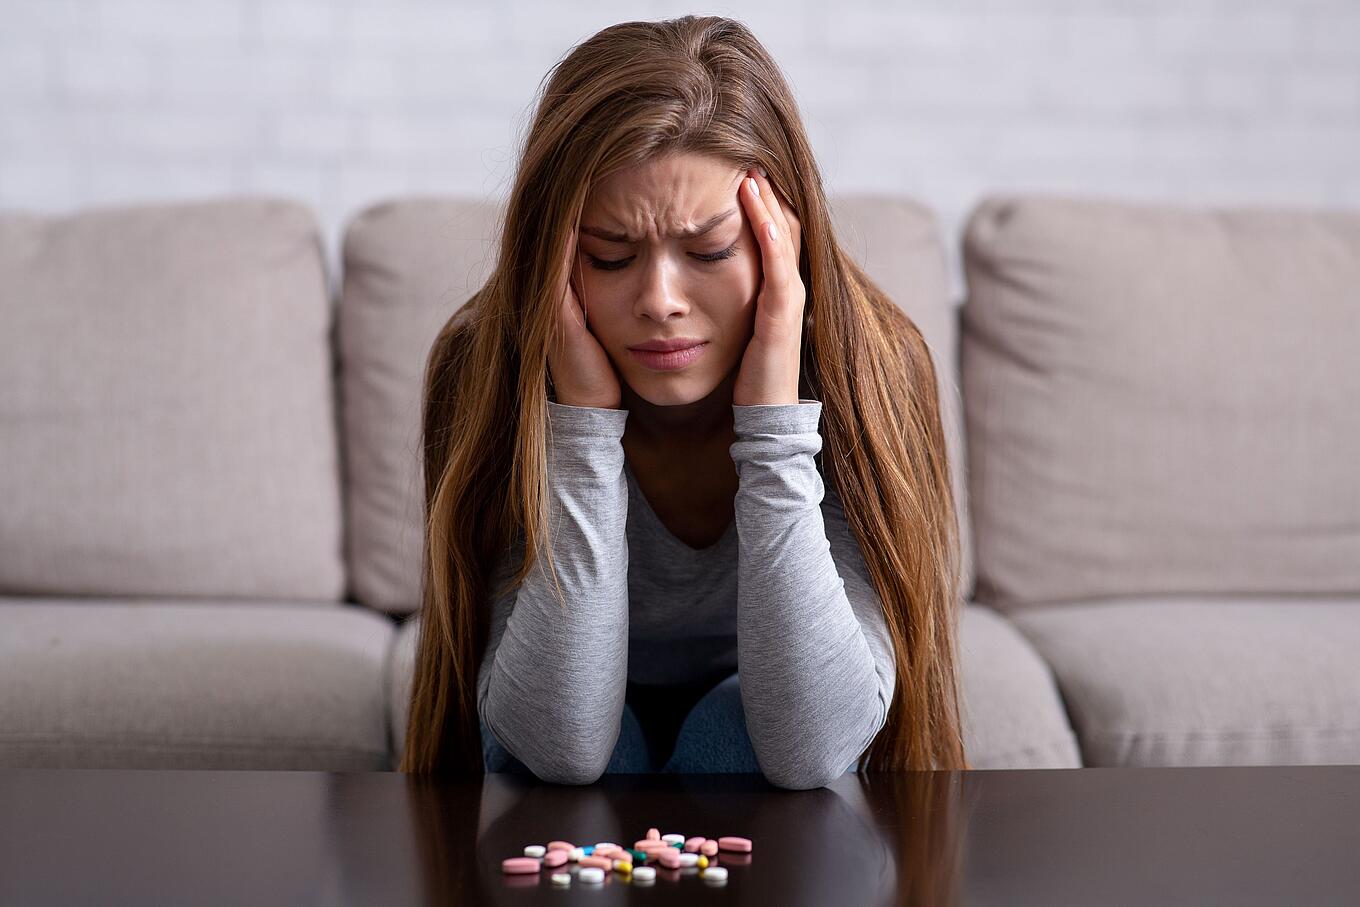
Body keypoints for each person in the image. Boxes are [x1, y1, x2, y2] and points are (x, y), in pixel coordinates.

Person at [399, 15, 970, 787]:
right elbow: (560, 741)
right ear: (553, 257)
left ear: (783, 239)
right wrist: (585, 426)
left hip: (769, 723)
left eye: (709, 252)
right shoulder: (485, 363)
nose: (660, 299)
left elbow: (810, 745)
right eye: (609, 255)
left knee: (731, 742)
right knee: (596, 763)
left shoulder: (872, 369)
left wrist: (774, 417)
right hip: (563, 726)